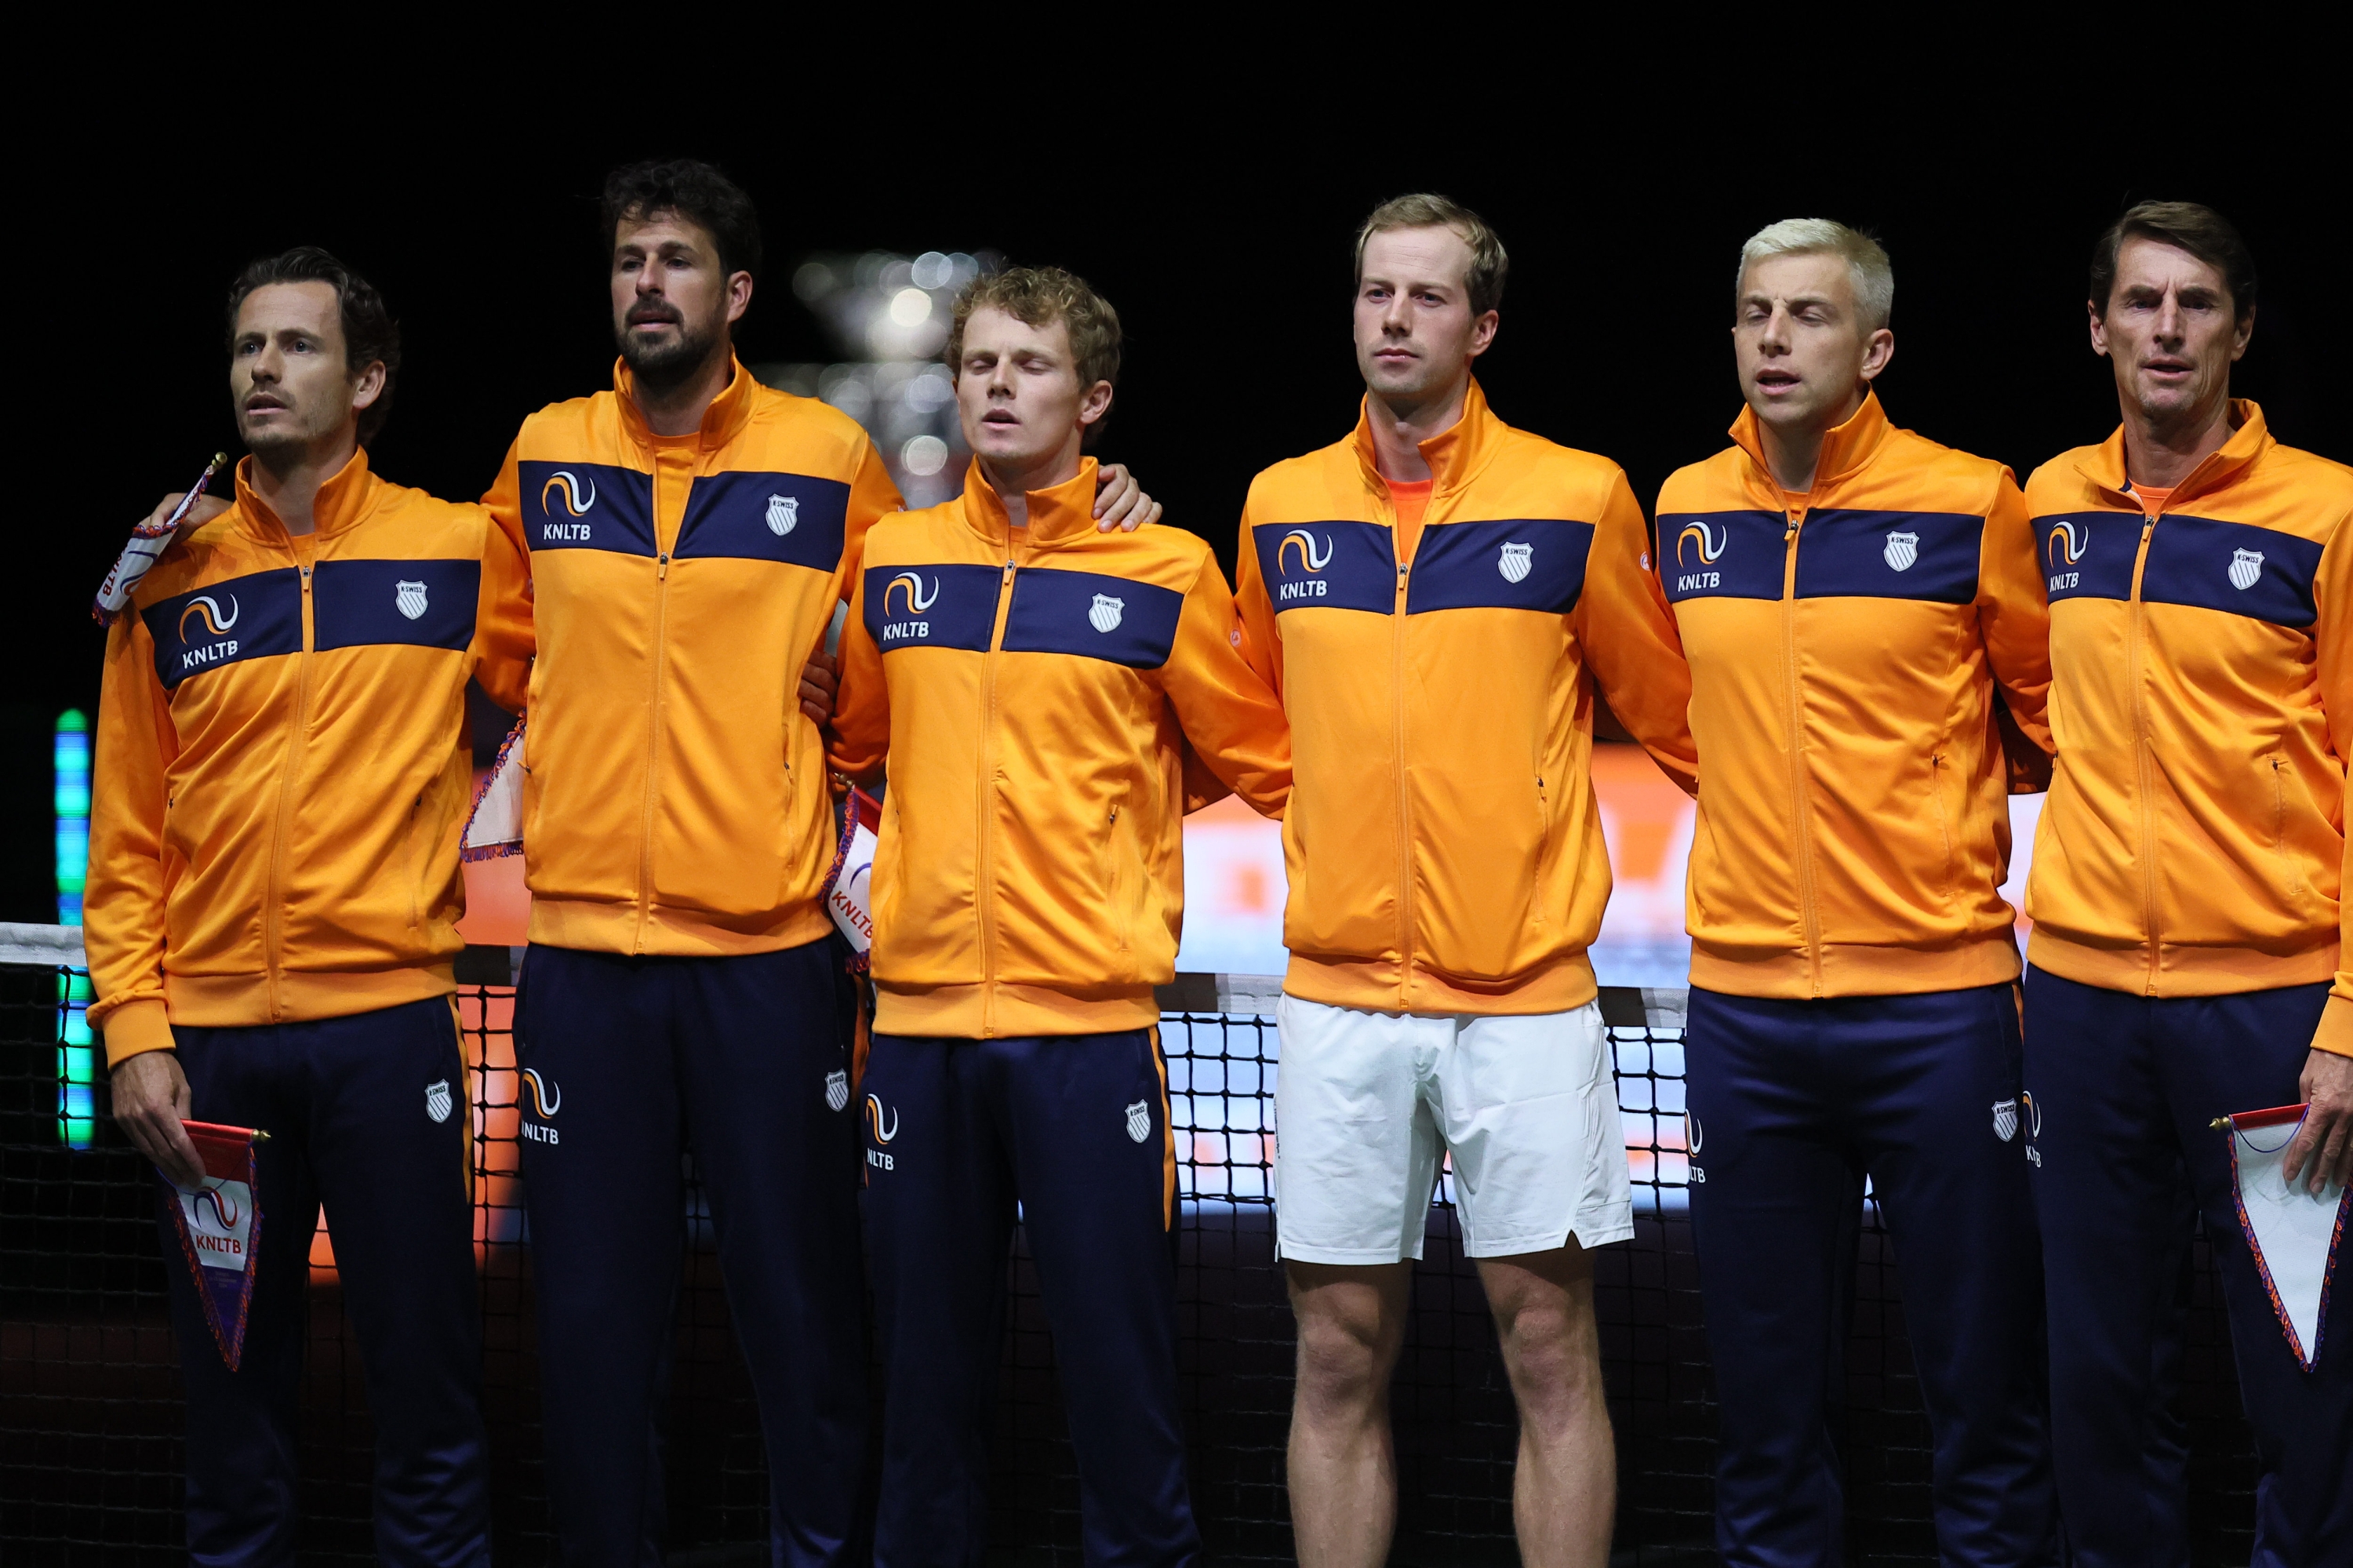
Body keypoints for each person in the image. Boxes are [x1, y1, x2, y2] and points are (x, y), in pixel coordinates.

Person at [480, 160, 1160, 1564]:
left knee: (807, 1323)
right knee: (593, 1337)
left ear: (732, 292)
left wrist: (1097, 513)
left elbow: (894, 649)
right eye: (627, 259)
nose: (645, 284)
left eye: (675, 260)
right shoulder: (544, 452)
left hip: (771, 964)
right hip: (585, 968)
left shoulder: (828, 457)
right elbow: (502, 652)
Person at [1230, 194, 1697, 1568]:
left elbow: (1670, 712)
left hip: (1528, 998)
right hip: (1338, 995)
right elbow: (1252, 718)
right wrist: (1333, 818)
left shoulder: (1577, 494)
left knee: (1551, 1352)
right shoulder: (1280, 503)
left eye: (1428, 297)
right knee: (1332, 1359)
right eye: (1376, 291)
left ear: (1482, 326)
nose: (1394, 318)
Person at [830, 265, 1289, 1566]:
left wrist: (1121, 817)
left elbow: (1258, 752)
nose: (996, 387)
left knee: (1121, 1394)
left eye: (1029, 366)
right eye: (979, 364)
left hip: (1089, 1039)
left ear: (1092, 398)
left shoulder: (1167, 568)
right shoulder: (897, 563)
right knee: (921, 1404)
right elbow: (859, 739)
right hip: (916, 1032)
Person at [89, 247, 533, 1565]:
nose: (262, 370)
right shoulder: (167, 580)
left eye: (296, 346)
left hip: (391, 1039)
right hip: (210, 1064)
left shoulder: (463, 551)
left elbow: (631, 631)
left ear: (370, 378)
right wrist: (135, 1032)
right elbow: (127, 836)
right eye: (246, 348)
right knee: (231, 1432)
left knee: (432, 1415)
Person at [1653, 218, 2059, 1567]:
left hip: (1941, 1014)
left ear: (1875, 347)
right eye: (1755, 314)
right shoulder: (1683, 506)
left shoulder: (1970, 498)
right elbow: (1674, 712)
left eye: (1809, 318)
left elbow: (2055, 702)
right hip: (1747, 1020)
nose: (1775, 341)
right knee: (1766, 1421)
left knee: (1983, 1397)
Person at [2021, 200, 2351, 1567]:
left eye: (2197, 303)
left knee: (2308, 1384)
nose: (2167, 329)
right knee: (2102, 1380)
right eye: (2142, 302)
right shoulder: (2045, 505)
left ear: (2243, 329)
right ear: (2096, 326)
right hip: (2088, 1009)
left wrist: (2346, 1026)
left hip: (2271, 1015)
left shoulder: (2328, 512)